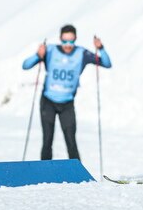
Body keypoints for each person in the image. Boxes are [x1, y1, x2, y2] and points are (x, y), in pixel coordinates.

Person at [22, 24, 111, 160]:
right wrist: (37, 55)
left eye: (71, 41)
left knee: (71, 142)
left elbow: (107, 63)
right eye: (65, 41)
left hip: (67, 104)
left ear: (75, 39)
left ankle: (77, 173)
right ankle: (45, 171)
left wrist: (101, 48)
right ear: (60, 39)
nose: (68, 45)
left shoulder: (82, 53)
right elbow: (26, 65)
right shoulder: (50, 50)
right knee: (47, 141)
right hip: (48, 102)